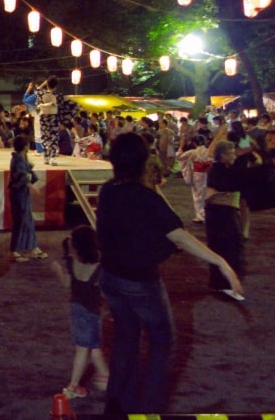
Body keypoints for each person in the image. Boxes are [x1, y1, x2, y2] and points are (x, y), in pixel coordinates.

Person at [95, 132, 243, 414]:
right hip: (138, 280)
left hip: (110, 276)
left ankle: (117, 407)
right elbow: (180, 237)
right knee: (162, 340)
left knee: (126, 338)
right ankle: (150, 408)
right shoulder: (145, 197)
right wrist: (221, 262)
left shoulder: (109, 190)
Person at [52, 225, 109, 400]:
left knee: (92, 346)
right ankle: (73, 386)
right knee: (84, 349)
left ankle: (105, 375)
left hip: (75, 310)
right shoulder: (99, 268)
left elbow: (67, 284)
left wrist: (58, 271)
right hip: (92, 313)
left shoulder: (71, 262)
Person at [203, 141, 246, 300]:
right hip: (221, 212)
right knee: (227, 247)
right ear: (221, 155)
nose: (234, 156)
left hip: (222, 211)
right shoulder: (218, 170)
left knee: (227, 247)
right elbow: (232, 183)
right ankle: (225, 284)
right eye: (231, 154)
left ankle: (221, 283)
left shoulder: (223, 169)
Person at [8, 134, 46, 262]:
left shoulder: (20, 158)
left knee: (28, 221)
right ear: (25, 146)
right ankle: (15, 250)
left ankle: (33, 247)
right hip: (19, 194)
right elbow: (22, 176)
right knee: (20, 222)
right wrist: (32, 187)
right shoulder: (18, 160)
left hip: (22, 193)